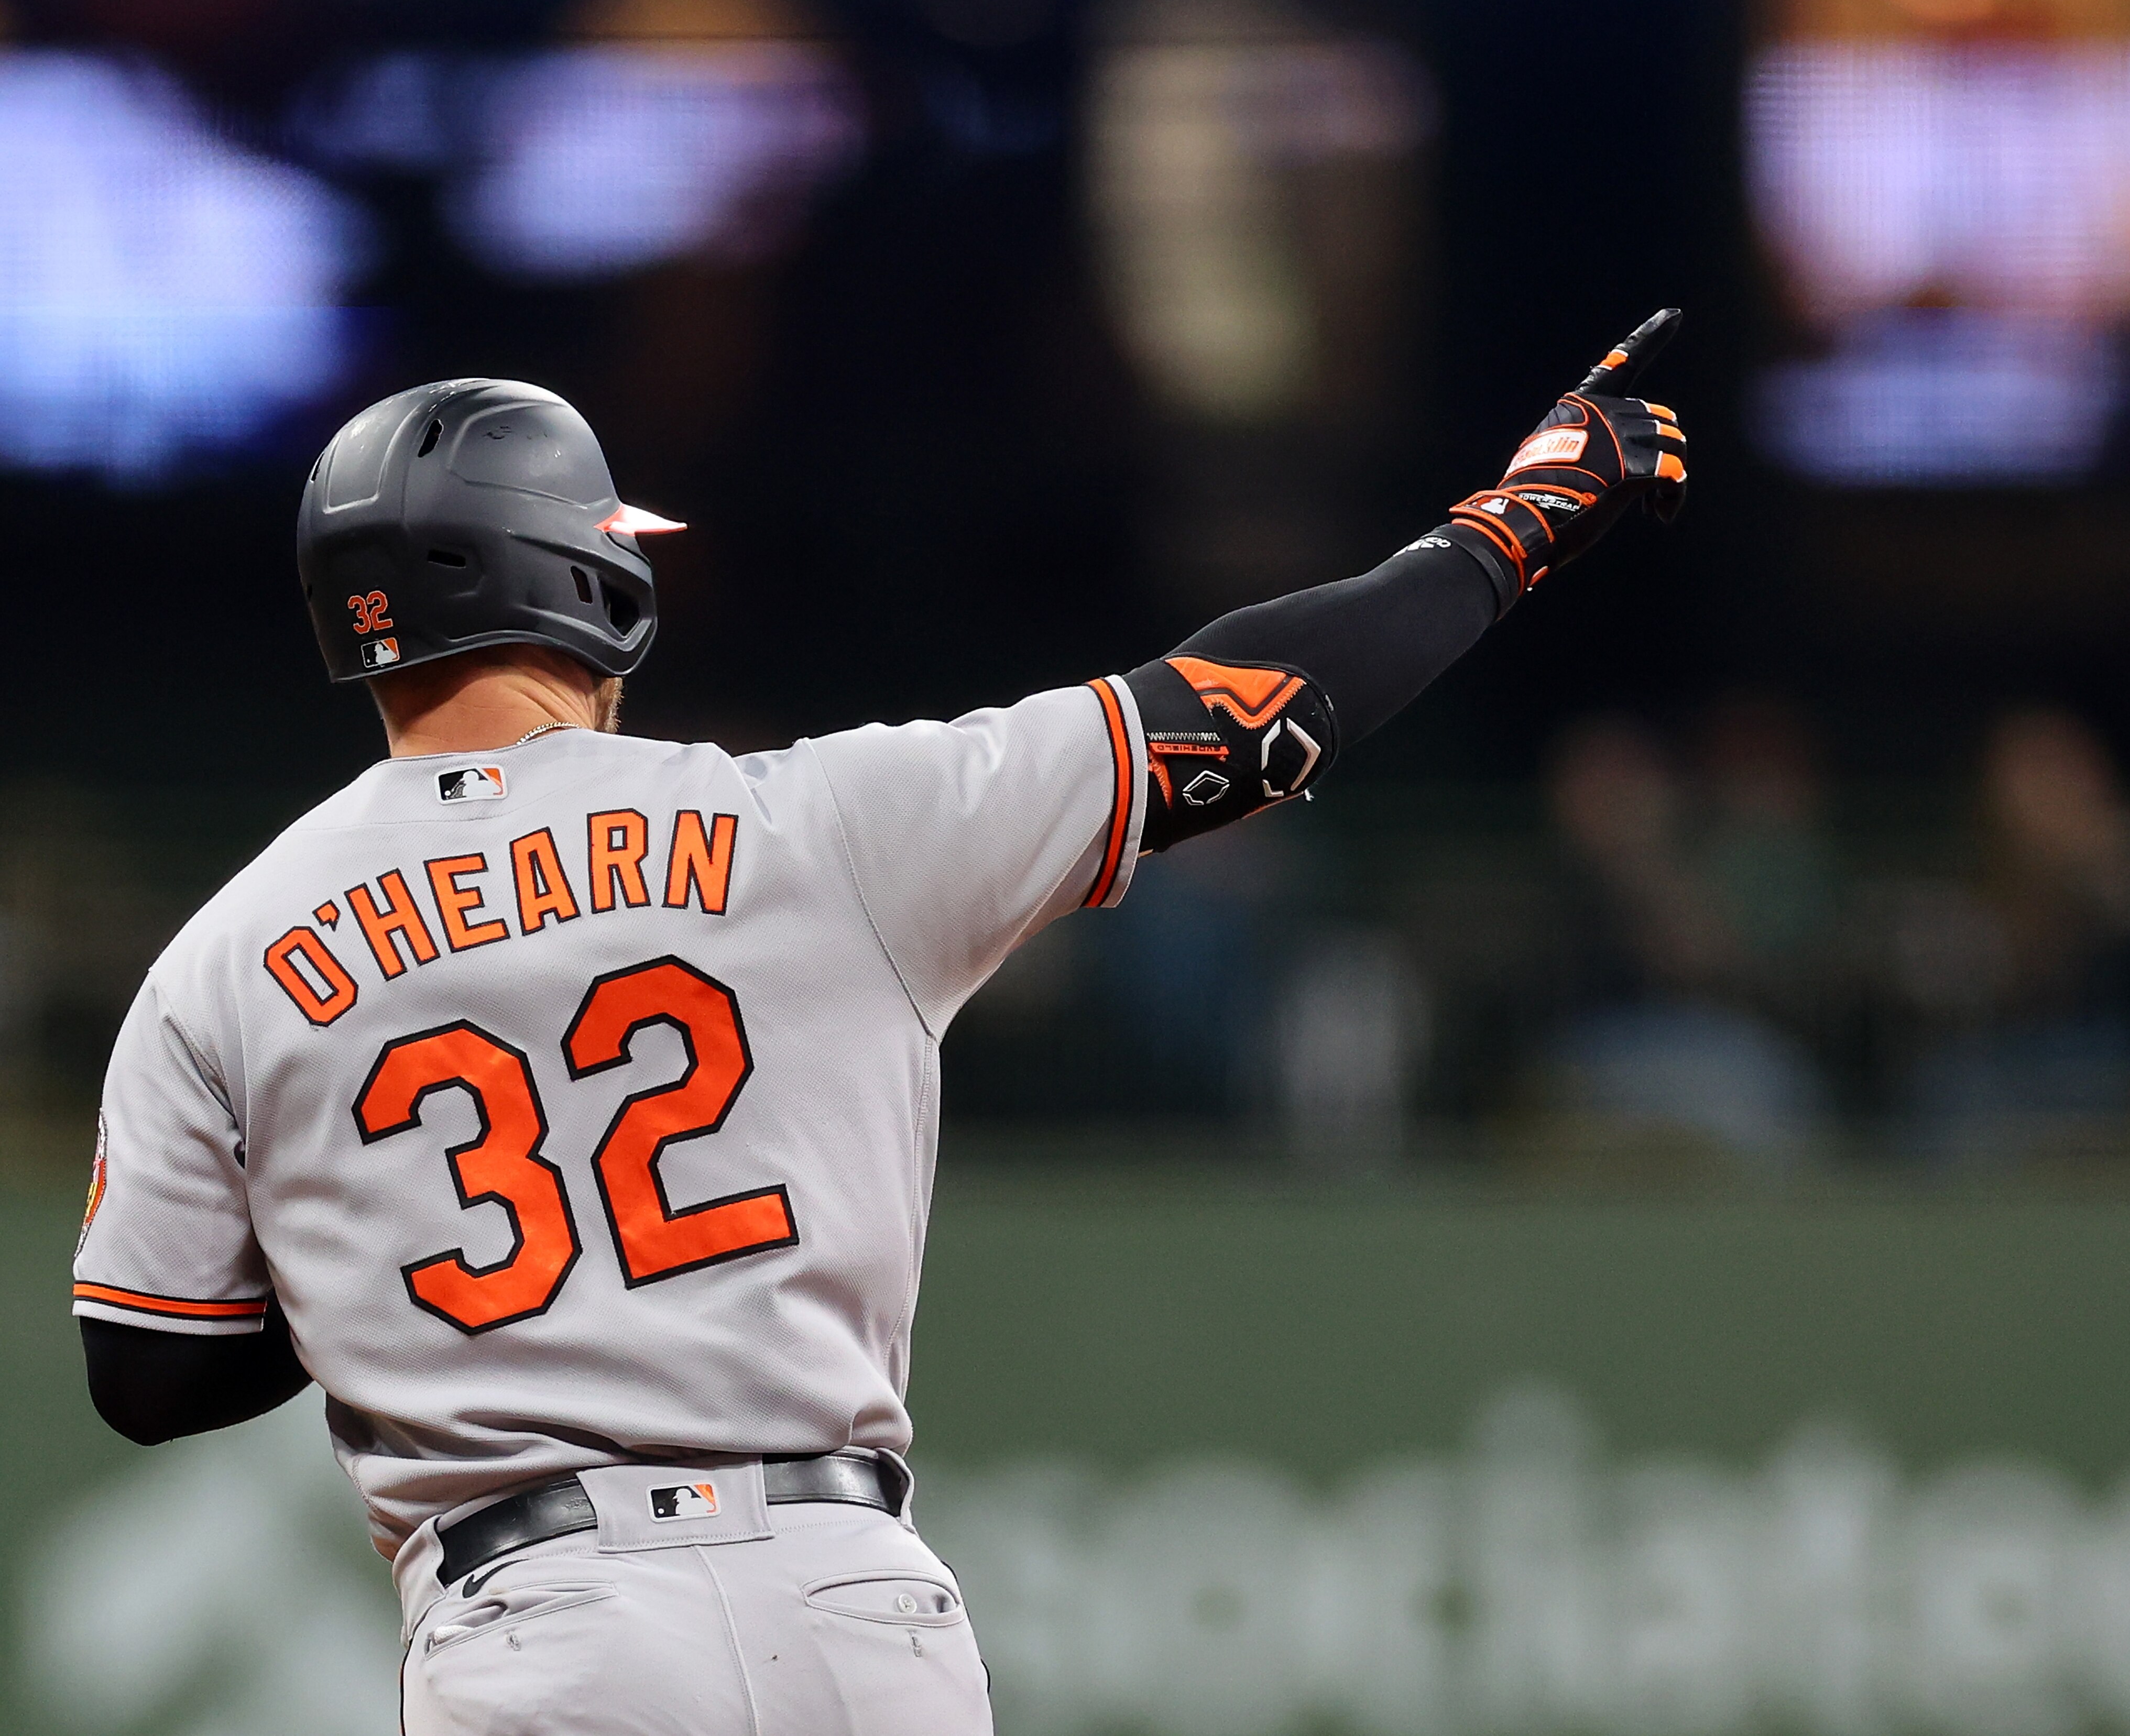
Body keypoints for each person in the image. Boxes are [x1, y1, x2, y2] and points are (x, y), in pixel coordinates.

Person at [68, 315, 1687, 1733]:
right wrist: (1512, 526)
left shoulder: (226, 958)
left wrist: (382, 1253)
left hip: (539, 1623)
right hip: (847, 1596)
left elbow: (152, 1370)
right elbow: (1237, 717)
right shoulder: (817, 826)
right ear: (586, 576)